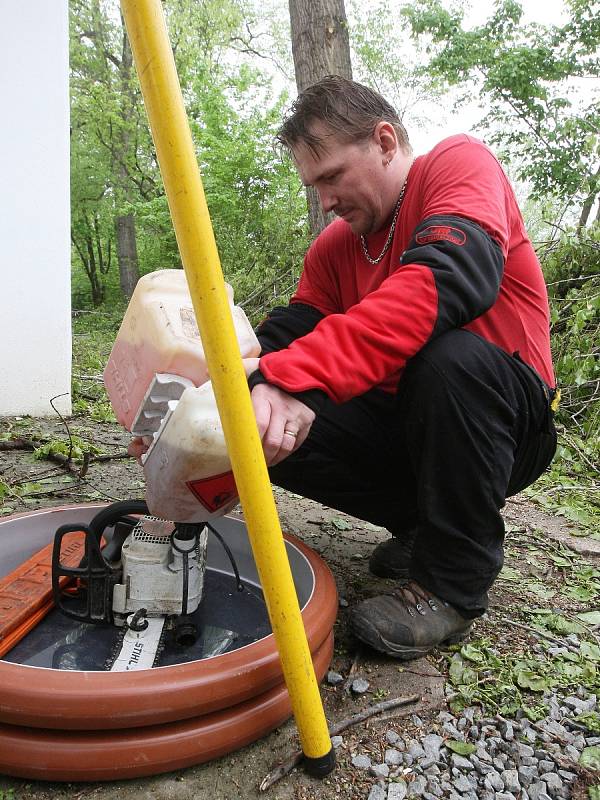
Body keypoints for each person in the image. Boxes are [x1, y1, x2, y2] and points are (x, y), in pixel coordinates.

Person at [240, 75, 557, 661]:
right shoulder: (335, 246)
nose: (326, 200)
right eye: (314, 186)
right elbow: (293, 332)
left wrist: (296, 376)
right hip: (408, 422)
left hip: (507, 420)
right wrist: (228, 395)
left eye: (332, 177)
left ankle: (451, 589)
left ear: (385, 142)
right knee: (265, 422)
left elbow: (451, 276)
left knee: (446, 358)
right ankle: (421, 530)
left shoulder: (457, 166)